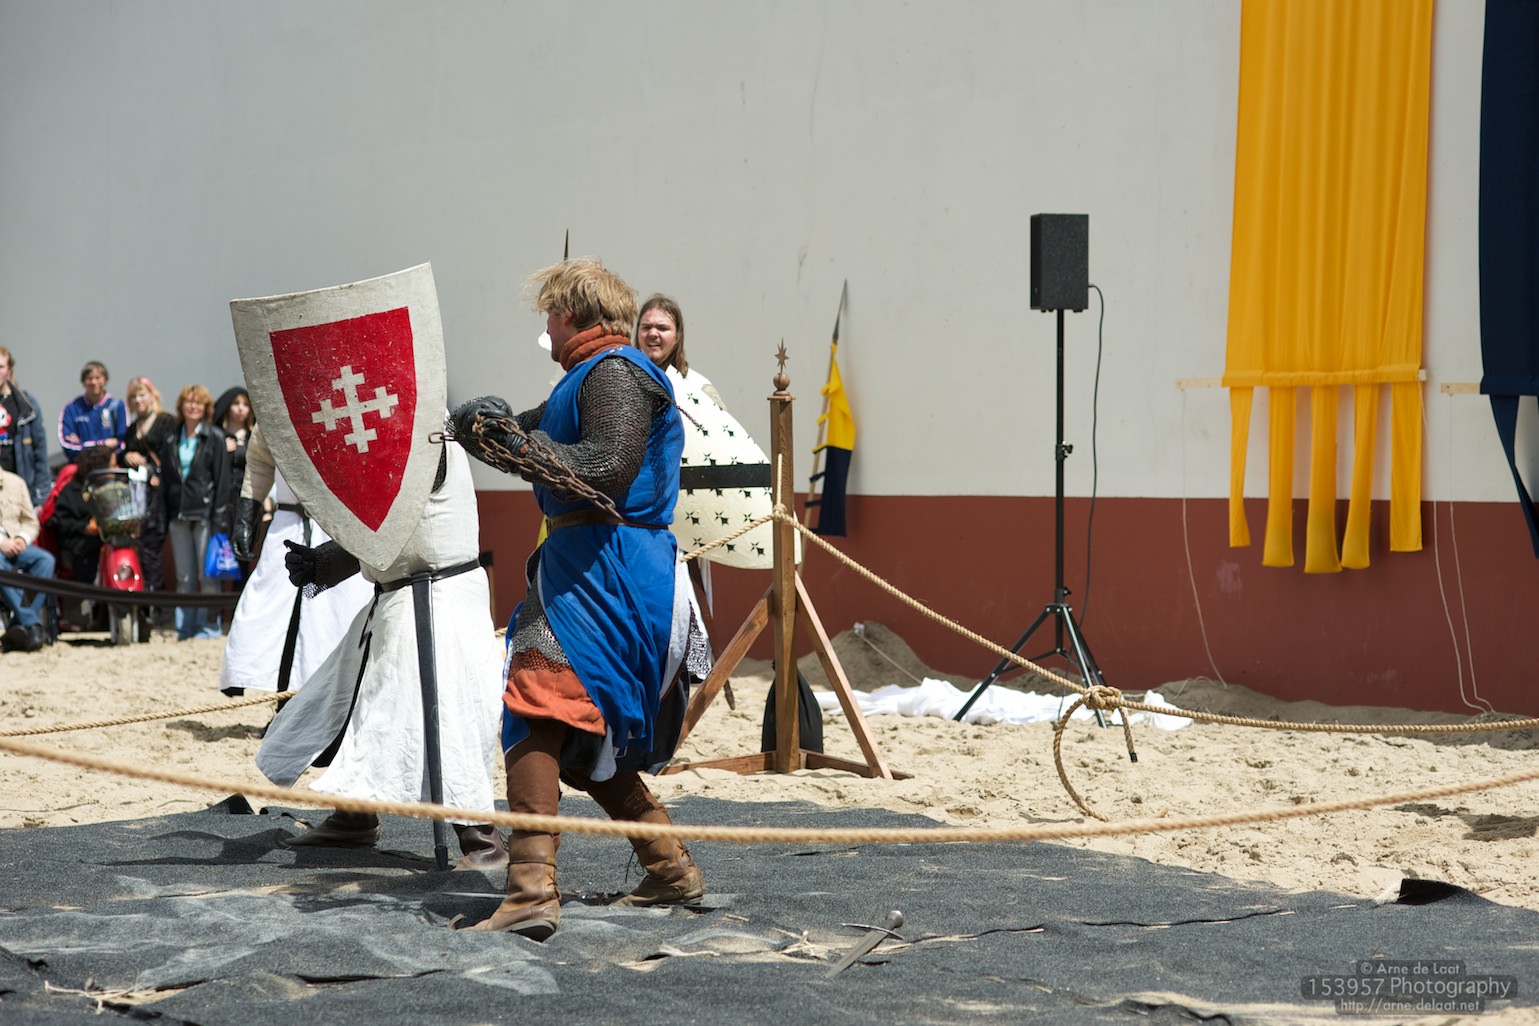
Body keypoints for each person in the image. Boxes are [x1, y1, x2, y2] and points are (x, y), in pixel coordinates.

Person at [449, 258, 708, 939]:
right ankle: (669, 867)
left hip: (609, 568)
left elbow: (605, 468)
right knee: (579, 734)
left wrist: (513, 438)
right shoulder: (585, 378)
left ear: (568, 313)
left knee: (534, 707)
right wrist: (479, 425)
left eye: (548, 313)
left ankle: (530, 893)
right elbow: (526, 440)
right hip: (588, 563)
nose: (545, 324)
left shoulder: (617, 372)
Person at [254, 438, 507, 871]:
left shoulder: (431, 440)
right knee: (353, 702)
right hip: (398, 597)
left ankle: (481, 838)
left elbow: (391, 520)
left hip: (437, 601)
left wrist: (329, 558)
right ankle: (354, 817)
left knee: (444, 720)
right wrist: (322, 564)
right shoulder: (405, 437)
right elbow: (386, 526)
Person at [220, 424, 372, 698]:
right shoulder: (274, 404)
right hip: (287, 526)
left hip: (339, 527)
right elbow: (260, 460)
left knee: (333, 618)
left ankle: (327, 701)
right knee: (266, 606)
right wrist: (246, 514)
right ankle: (280, 699)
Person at [157, 384, 230, 640]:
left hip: (205, 514)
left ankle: (208, 626)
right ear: (181, 406)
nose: (193, 407)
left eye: (199, 403)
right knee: (183, 576)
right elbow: (166, 481)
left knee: (207, 575)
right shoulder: (171, 438)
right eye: (189, 402)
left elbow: (222, 482)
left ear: (206, 408)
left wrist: (218, 518)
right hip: (178, 514)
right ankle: (184, 627)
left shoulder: (215, 437)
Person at [119, 376, 178, 604]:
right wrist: (128, 456)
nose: (138, 400)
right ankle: (149, 598)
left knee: (154, 545)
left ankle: (157, 600)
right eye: (134, 396)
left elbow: (173, 456)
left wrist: (157, 473)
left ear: (153, 396)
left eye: (142, 395)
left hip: (160, 493)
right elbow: (126, 458)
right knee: (143, 545)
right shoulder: (131, 428)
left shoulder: (166, 421)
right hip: (139, 493)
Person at [635, 293, 725, 407]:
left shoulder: (700, 389)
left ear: (677, 335)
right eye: (646, 327)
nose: (652, 333)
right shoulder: (623, 382)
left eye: (662, 328)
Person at [0, 466, 55, 652]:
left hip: (18, 545)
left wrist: (22, 538)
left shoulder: (16, 482)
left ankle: (19, 625)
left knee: (45, 561)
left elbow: (30, 521)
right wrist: (2, 542)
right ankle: (32, 625)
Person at [0, 346, 52, 507]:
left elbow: (40, 453)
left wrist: (41, 496)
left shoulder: (27, 405)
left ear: (9, 370)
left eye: (0, 366)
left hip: (21, 491)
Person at [58, 361, 128, 462]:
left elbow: (122, 443)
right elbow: (68, 445)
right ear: (83, 382)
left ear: (106, 380)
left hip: (110, 465)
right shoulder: (71, 409)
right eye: (89, 378)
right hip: (82, 465)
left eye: (98, 378)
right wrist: (103, 444)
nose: (94, 382)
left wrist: (82, 444)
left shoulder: (117, 407)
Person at [213, 387, 254, 533]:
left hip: (246, 497)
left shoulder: (254, 438)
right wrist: (221, 450)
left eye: (245, 404)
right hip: (222, 499)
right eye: (236, 403)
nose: (240, 408)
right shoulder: (217, 436)